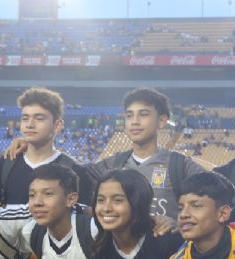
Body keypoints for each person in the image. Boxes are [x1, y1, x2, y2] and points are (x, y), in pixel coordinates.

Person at [0, 87, 93, 259]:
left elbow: (85, 220)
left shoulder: (74, 170)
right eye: (25, 118)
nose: (30, 124)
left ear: (57, 125)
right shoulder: (6, 163)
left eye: (39, 118)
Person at [85, 87, 205, 219]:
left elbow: (213, 199)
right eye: (129, 115)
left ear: (162, 121)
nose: (135, 121)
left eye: (143, 114)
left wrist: (179, 225)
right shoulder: (111, 165)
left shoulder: (180, 166)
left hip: (165, 239)